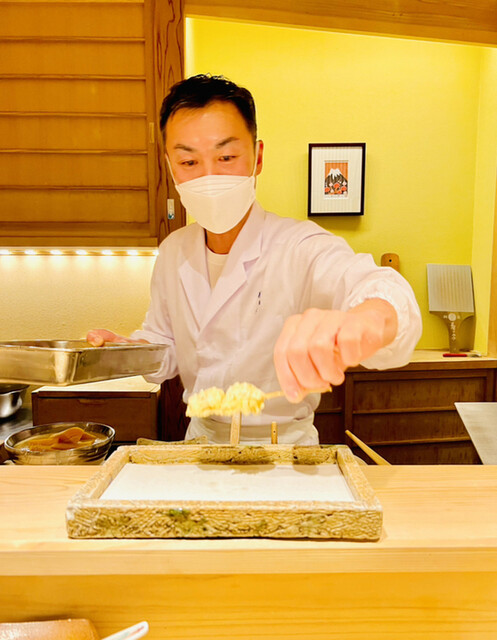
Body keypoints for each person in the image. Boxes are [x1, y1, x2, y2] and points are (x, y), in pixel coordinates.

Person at [88, 74, 422, 445]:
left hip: (286, 447)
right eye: (188, 161)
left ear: (258, 157)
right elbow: (165, 348)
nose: (209, 176)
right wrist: (127, 353)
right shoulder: (173, 252)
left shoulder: (298, 245)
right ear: (170, 167)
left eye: (226, 157)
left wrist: (365, 319)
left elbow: (378, 287)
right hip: (200, 442)